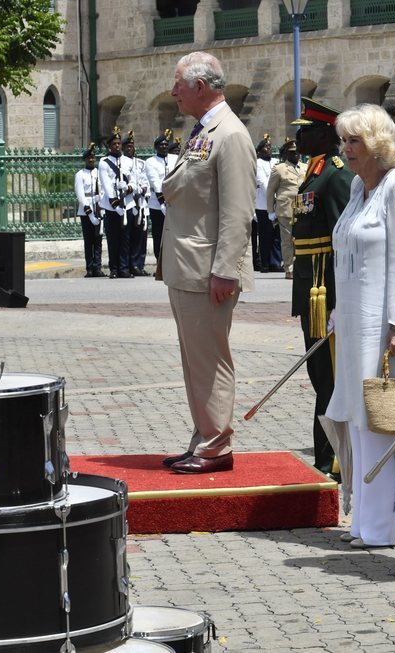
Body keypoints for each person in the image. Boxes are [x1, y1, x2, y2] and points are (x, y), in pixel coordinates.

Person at [160, 51, 256, 474]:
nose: (174, 90)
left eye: (179, 83)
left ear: (201, 87)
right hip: (188, 267)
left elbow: (238, 212)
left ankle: (216, 445)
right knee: (194, 360)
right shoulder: (203, 130)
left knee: (209, 360)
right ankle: (204, 436)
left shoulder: (230, 133)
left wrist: (225, 270)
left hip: (207, 272)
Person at [325, 103, 395, 549]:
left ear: (378, 144)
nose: (346, 149)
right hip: (355, 319)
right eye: (344, 140)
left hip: (383, 323)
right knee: (358, 417)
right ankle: (365, 518)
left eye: (354, 141)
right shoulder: (359, 189)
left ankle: (385, 524)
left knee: (380, 419)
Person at [291, 96, 355, 475]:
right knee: (320, 377)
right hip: (310, 286)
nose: (298, 136)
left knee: (330, 377)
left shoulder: (336, 174)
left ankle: (333, 458)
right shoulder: (314, 172)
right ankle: (324, 456)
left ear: (325, 134)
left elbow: (343, 240)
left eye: (306, 130)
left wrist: (338, 300)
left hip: (326, 289)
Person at [98, 129, 135, 279]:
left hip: (128, 204)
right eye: (114, 144)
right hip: (112, 207)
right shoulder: (104, 162)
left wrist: (128, 187)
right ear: (109, 146)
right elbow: (106, 185)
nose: (117, 146)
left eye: (119, 143)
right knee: (113, 239)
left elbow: (134, 181)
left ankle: (124, 268)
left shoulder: (128, 161)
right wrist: (115, 204)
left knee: (126, 239)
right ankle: (114, 268)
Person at [266, 139, 305, 279]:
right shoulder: (279, 168)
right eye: (292, 153)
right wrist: (270, 211)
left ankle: (301, 266)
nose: (296, 155)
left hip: (302, 209)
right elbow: (270, 191)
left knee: (300, 239)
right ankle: (289, 268)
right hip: (285, 209)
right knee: (287, 240)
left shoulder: (306, 167)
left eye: (297, 152)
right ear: (287, 154)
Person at [144, 131, 175, 264]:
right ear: (156, 147)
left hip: (174, 202)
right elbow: (155, 182)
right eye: (161, 145)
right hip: (157, 204)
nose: (164, 147)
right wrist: (162, 201)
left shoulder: (174, 158)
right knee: (159, 234)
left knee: (174, 234)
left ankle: (173, 261)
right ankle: (160, 262)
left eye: (166, 144)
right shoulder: (150, 162)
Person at [123, 132, 151, 276]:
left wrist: (144, 190)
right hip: (128, 202)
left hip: (140, 202)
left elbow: (146, 181)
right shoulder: (121, 163)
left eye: (131, 147)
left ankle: (138, 264)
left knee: (141, 236)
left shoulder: (141, 163)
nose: (129, 149)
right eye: (127, 147)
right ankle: (128, 264)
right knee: (129, 235)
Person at [75, 145, 105, 277]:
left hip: (99, 209)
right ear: (85, 159)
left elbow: (104, 189)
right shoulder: (80, 174)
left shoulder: (99, 173)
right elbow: (80, 194)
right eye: (89, 158)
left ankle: (97, 267)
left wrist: (102, 202)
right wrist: (89, 211)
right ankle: (89, 268)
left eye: (93, 157)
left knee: (98, 240)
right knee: (88, 241)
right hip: (86, 211)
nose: (91, 159)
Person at [255, 135, 278, 273]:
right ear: (259, 151)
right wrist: (274, 197)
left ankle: (275, 262)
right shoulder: (258, 163)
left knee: (276, 236)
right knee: (265, 235)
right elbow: (263, 183)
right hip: (263, 204)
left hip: (276, 203)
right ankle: (264, 263)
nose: (268, 149)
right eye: (265, 147)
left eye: (269, 147)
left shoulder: (275, 161)